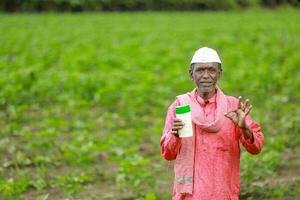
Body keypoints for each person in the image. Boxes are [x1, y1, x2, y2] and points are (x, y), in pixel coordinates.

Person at [160, 47, 264, 200]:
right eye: (200, 70)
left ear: (219, 74)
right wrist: (174, 135)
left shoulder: (233, 106)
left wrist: (244, 129)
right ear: (191, 74)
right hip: (189, 195)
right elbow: (167, 154)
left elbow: (256, 148)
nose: (206, 76)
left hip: (223, 192)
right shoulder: (180, 106)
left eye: (211, 70)